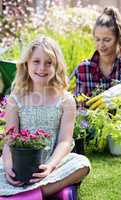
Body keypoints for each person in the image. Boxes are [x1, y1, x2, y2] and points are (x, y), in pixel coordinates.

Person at [0, 36, 91, 199]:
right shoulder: (16, 99)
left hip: (52, 163)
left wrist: (49, 166)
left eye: (48, 63)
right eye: (36, 61)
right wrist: (8, 168)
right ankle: (54, 190)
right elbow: (9, 139)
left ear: (56, 66)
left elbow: (65, 141)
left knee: (82, 165)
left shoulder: (65, 100)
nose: (42, 68)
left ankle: (34, 194)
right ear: (26, 63)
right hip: (20, 163)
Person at [70, 6, 121, 109]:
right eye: (97, 39)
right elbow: (77, 106)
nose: (101, 45)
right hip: (92, 123)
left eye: (107, 40)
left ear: (118, 39)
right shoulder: (84, 69)